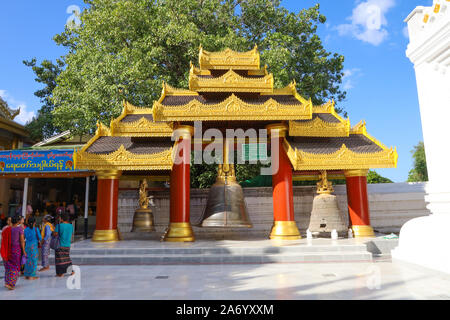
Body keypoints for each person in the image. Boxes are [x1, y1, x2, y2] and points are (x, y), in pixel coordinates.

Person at [1, 216, 25, 290]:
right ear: (18, 222)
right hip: (16, 249)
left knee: (9, 266)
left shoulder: (8, 229)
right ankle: (11, 284)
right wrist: (24, 251)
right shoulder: (19, 229)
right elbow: (22, 241)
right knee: (15, 266)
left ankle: (7, 282)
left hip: (9, 249)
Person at [53, 212, 74, 277]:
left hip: (60, 244)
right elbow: (71, 234)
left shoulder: (59, 225)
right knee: (67, 258)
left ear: (62, 218)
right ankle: (71, 271)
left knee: (59, 259)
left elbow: (55, 234)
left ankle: (60, 273)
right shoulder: (71, 226)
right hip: (67, 244)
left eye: (60, 218)